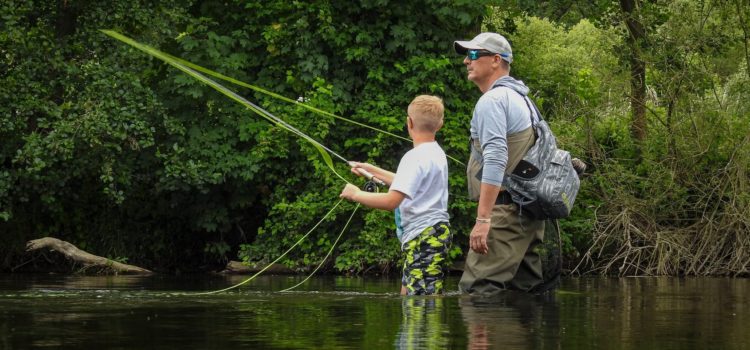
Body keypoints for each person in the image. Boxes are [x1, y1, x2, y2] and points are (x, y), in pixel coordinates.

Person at [453, 32, 547, 294]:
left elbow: (495, 158)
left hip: (505, 214)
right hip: (528, 215)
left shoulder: (492, 100)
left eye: (473, 55)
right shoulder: (524, 100)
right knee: (525, 295)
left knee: (477, 291)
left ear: (496, 60)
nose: (466, 61)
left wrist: (483, 220)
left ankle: (482, 335)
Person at [340, 95, 451, 296]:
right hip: (433, 233)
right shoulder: (436, 153)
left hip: (422, 236)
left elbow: (392, 201)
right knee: (411, 292)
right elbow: (407, 182)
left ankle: (423, 328)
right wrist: (371, 169)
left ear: (409, 122)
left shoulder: (413, 157)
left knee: (419, 299)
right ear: (440, 124)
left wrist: (356, 194)